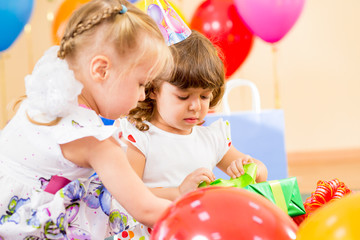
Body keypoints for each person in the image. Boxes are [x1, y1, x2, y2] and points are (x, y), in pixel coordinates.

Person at [0, 0, 173, 239]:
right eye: (141, 83)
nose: (143, 95)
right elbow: (146, 209)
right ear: (101, 70)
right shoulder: (94, 140)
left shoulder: (44, 96)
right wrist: (197, 210)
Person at [121, 30, 268, 201]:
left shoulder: (212, 138)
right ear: (153, 88)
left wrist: (250, 168)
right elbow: (127, 195)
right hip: (156, 225)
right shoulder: (139, 138)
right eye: (183, 96)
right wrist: (178, 193)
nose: (195, 106)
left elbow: (261, 173)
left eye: (204, 96)